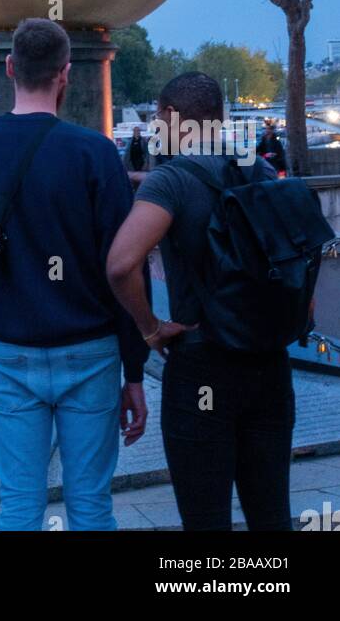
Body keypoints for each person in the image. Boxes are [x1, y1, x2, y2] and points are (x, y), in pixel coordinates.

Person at [0, 18, 148, 532]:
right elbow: (124, 267)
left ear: (10, 68)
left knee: (20, 506)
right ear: (65, 74)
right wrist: (134, 370)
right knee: (92, 504)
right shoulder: (94, 152)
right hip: (91, 351)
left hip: (9, 352)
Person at [107, 72, 294, 532]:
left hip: (202, 362)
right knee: (272, 514)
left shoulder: (170, 181)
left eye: (156, 116)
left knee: (206, 518)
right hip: (269, 363)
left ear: (173, 117)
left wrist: (150, 327)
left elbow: (120, 264)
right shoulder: (261, 169)